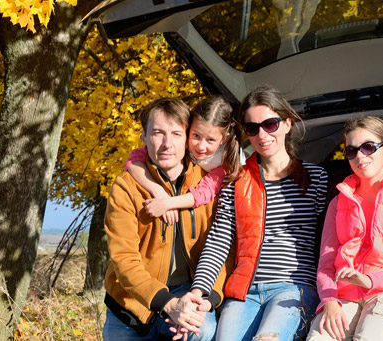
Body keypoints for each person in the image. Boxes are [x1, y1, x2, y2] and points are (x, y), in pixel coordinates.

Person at [188, 85, 328, 341]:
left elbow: (330, 240)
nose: (262, 134)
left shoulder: (316, 178)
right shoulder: (236, 181)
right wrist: (200, 289)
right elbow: (218, 242)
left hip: (293, 289)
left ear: (287, 124)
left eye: (270, 124)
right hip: (245, 292)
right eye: (253, 128)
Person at [102, 97, 230, 340]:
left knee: (203, 331)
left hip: (189, 292)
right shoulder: (126, 187)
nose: (167, 144)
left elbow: (224, 248)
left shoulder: (209, 184)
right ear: (144, 137)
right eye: (158, 133)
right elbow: (124, 260)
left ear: (187, 138)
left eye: (176, 134)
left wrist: (207, 298)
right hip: (131, 305)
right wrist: (168, 304)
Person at [306, 116, 383, 341]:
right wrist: (329, 300)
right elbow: (325, 265)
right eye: (351, 151)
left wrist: (370, 281)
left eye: (368, 147)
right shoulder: (338, 203)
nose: (359, 156)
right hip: (343, 296)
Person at [124, 95, 243, 225]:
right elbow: (134, 160)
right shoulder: (178, 141)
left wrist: (167, 203)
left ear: (223, 139)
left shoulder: (226, 161)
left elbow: (203, 193)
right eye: (196, 136)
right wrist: (157, 190)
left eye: (210, 140)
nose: (201, 146)